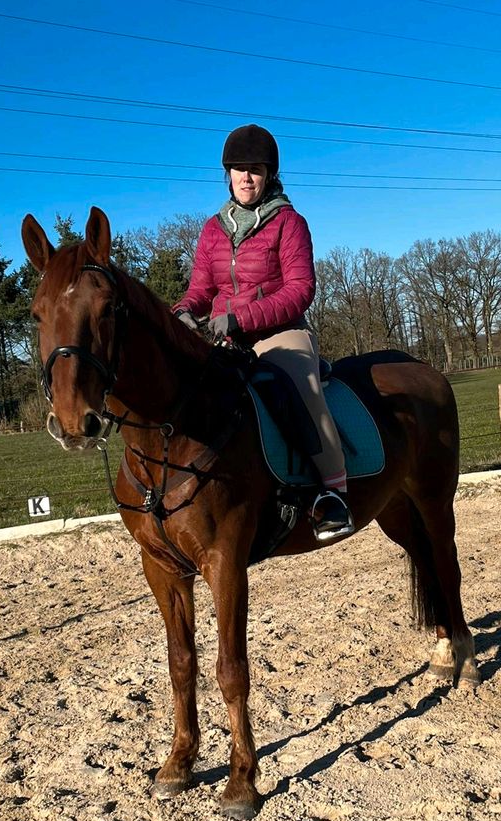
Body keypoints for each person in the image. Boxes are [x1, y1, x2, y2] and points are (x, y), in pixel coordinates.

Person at [172, 124, 354, 542]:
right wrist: (183, 312)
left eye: (254, 169)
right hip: (224, 340)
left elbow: (300, 289)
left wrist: (243, 319)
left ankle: (332, 494)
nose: (246, 178)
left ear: (269, 174)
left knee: (299, 387)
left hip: (280, 333)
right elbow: (201, 289)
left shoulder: (289, 222)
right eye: (238, 170)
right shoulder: (212, 229)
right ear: (228, 174)